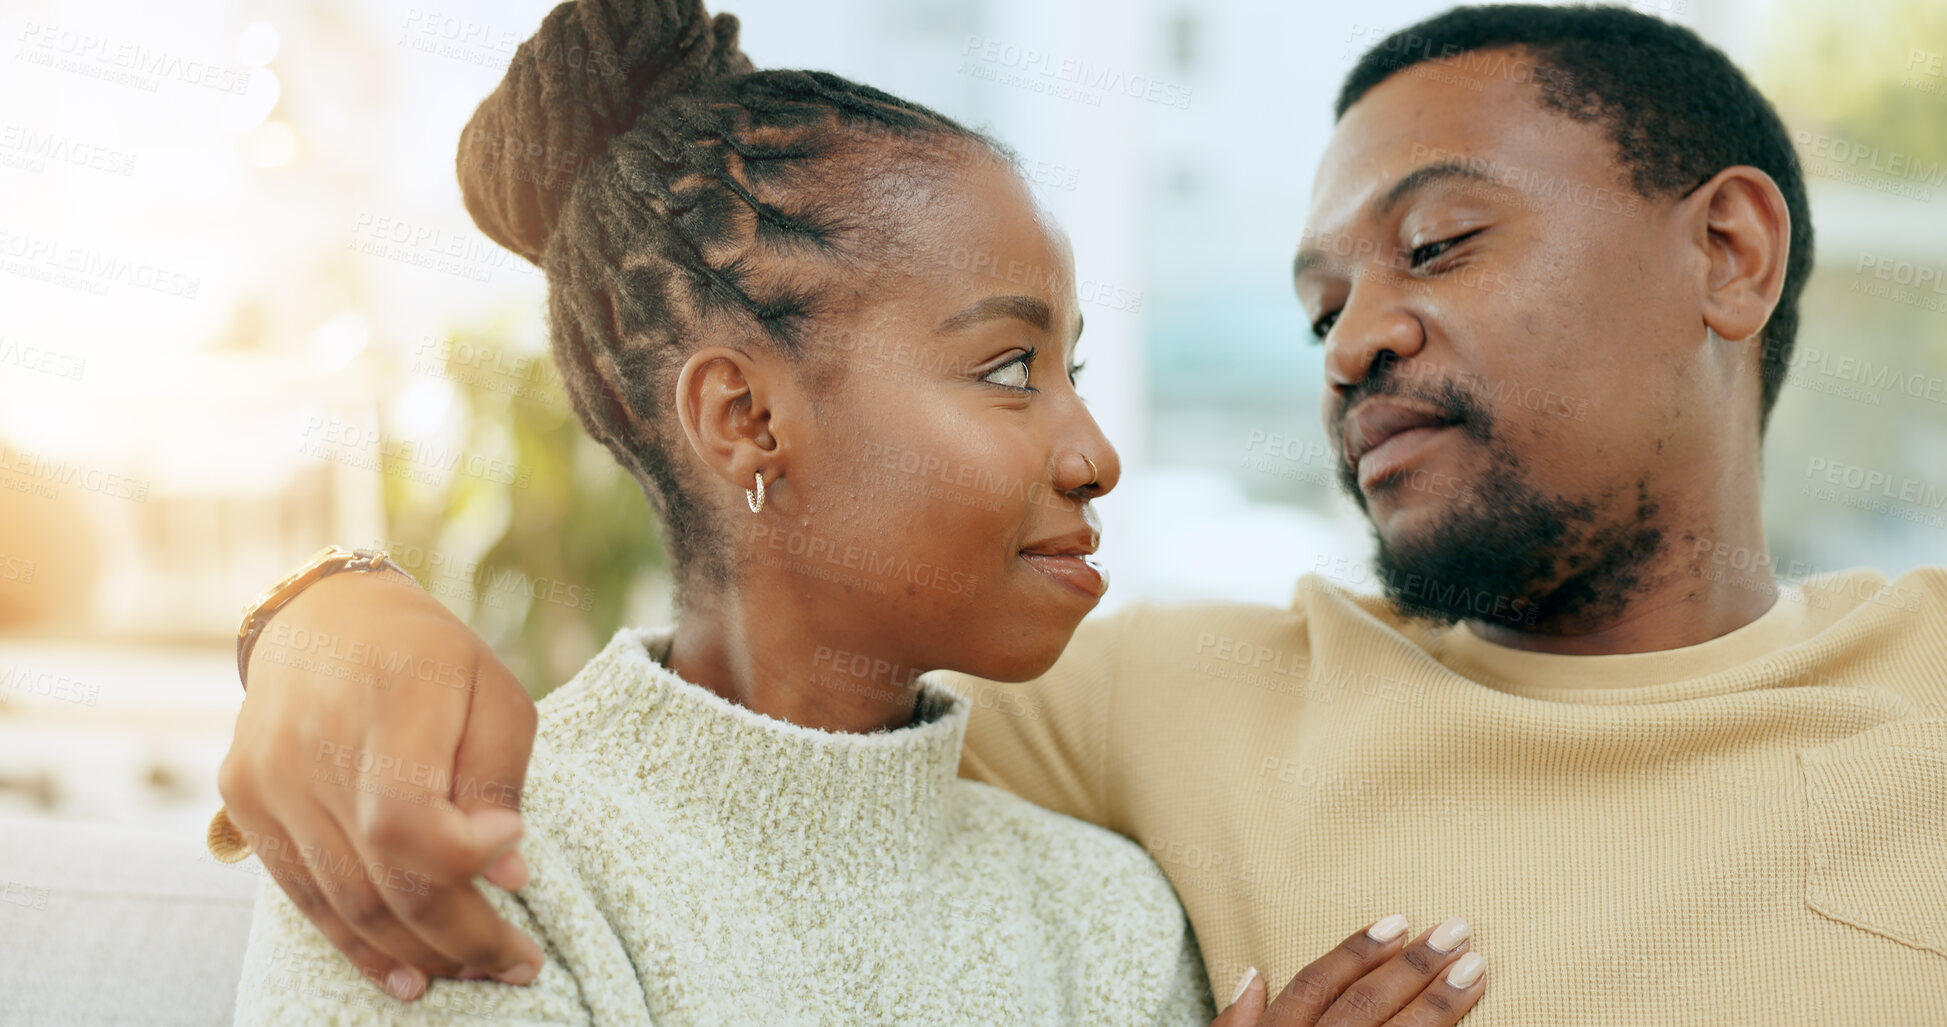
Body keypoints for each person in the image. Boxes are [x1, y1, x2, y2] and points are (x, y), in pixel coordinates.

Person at [219, 2, 1947, 1023]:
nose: (1356, 341)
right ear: (741, 411)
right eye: (1318, 305)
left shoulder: (1102, 902)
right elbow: (755, 717)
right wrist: (323, 608)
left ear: (1728, 254)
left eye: (1435, 246)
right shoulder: (1169, 707)